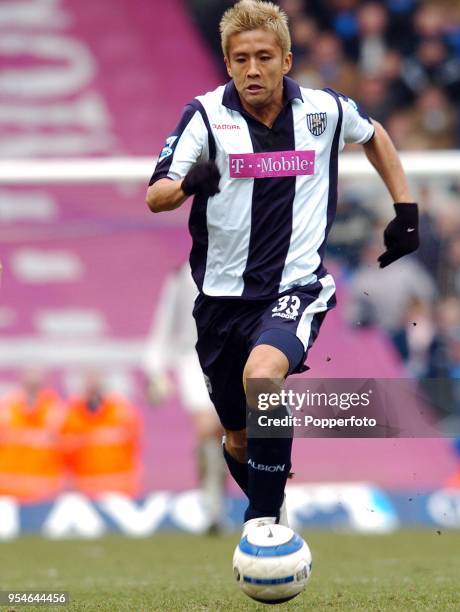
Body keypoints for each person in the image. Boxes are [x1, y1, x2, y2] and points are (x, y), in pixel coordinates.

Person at [146, 0, 419, 534]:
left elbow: (375, 135)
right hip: (220, 301)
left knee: (264, 374)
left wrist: (405, 209)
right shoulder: (203, 117)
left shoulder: (323, 110)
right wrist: (187, 185)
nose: (253, 69)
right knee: (238, 438)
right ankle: (272, 506)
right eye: (241, 58)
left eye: (264, 57)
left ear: (287, 60)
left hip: (294, 286)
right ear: (227, 63)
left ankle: (262, 526)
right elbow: (156, 196)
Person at [143, 263, 226, 533]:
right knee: (206, 430)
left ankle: (261, 505)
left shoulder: (239, 263)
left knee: (235, 434)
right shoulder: (181, 276)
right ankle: (213, 509)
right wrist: (155, 369)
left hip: (234, 356)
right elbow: (165, 321)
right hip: (193, 358)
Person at [62, 372, 142, 498]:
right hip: (86, 489)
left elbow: (135, 445)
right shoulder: (73, 413)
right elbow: (65, 451)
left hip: (119, 489)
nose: (92, 383)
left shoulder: (121, 411)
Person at [0, 369, 65, 502]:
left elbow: (66, 445)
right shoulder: (8, 406)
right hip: (9, 487)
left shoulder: (53, 407)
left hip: (44, 488)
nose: (32, 386)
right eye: (29, 383)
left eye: (36, 383)